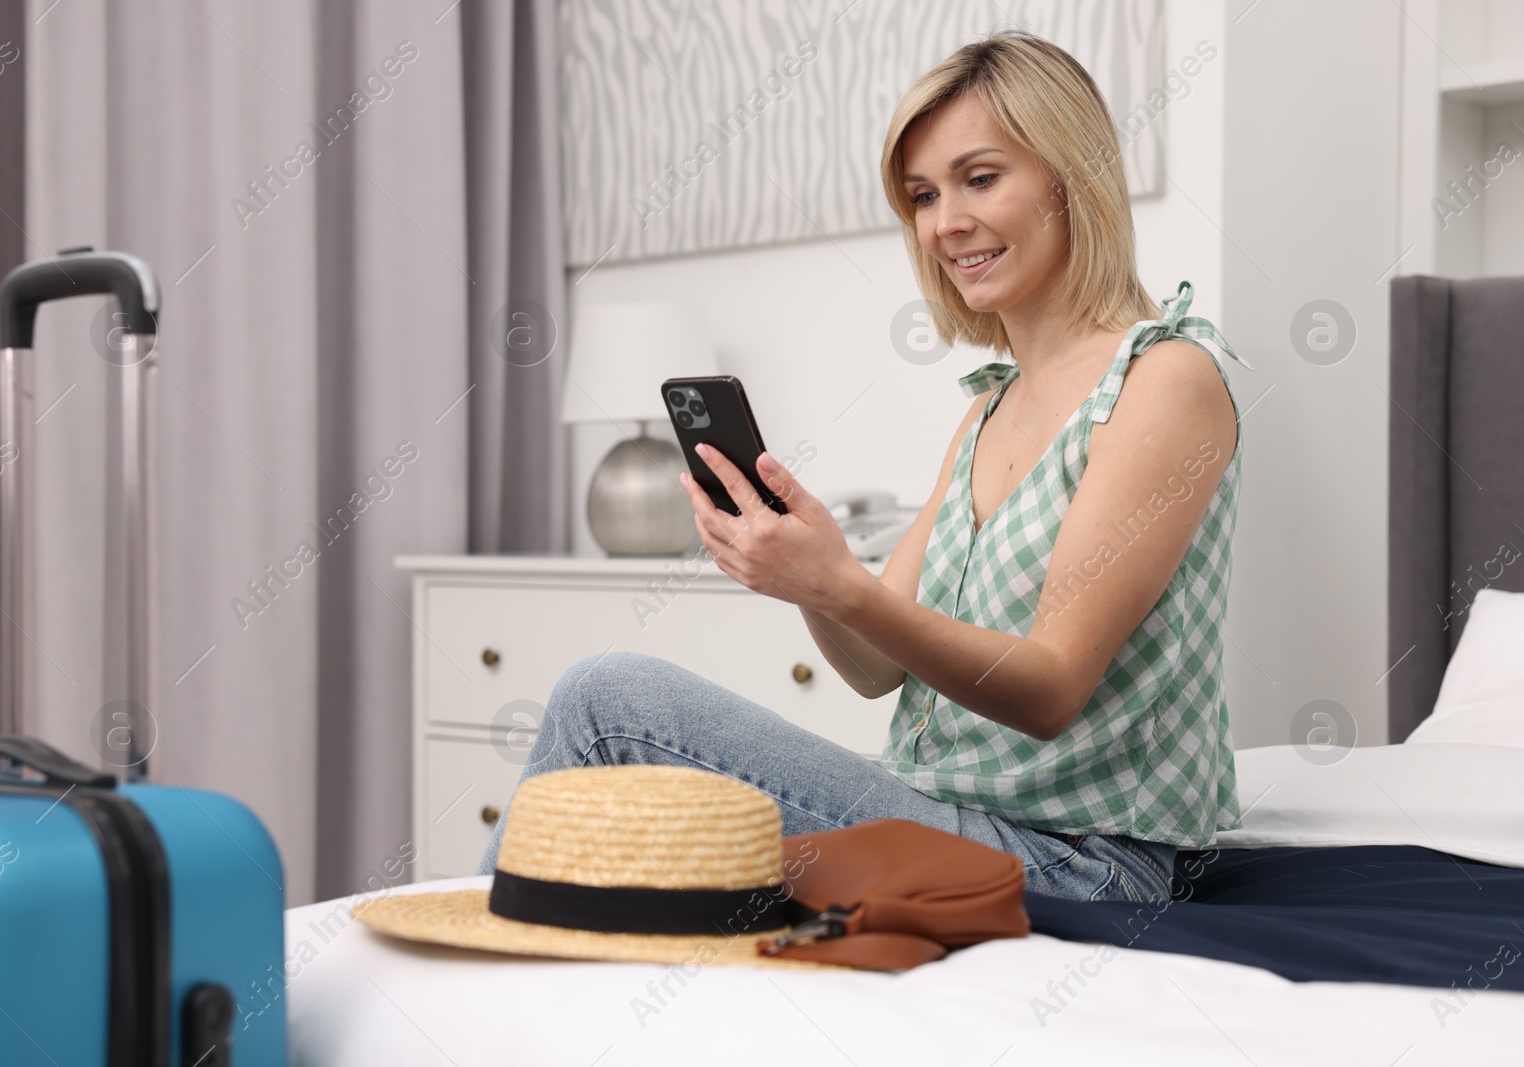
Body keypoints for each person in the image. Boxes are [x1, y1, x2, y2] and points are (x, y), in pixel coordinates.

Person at [479, 30, 1252, 904]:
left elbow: (1050, 688)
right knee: (620, 821)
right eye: (922, 195)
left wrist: (844, 585)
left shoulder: (1164, 380)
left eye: (981, 178)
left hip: (1082, 862)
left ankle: (458, 967)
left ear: (1070, 178)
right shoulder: (990, 407)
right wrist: (811, 572)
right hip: (952, 813)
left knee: (605, 699)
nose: (944, 222)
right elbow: (876, 670)